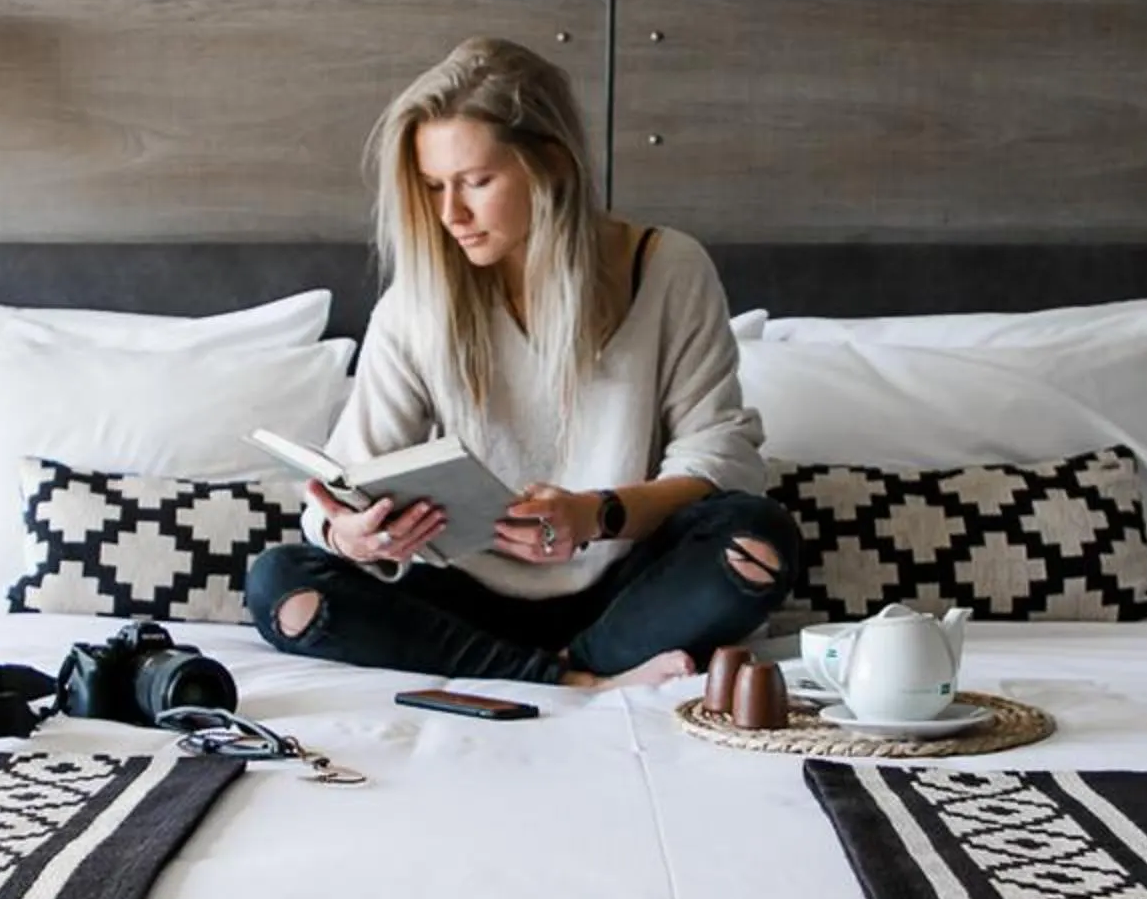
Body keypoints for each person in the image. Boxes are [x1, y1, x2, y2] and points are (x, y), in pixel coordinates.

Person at [245, 37, 801, 690]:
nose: (450, 214)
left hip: (624, 593)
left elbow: (722, 460)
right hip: (464, 601)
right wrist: (352, 538)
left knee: (758, 541)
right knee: (280, 585)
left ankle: (559, 665)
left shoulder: (667, 267)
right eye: (432, 187)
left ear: (553, 168)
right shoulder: (415, 305)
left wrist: (595, 515)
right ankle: (572, 679)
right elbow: (350, 477)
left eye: (476, 182)